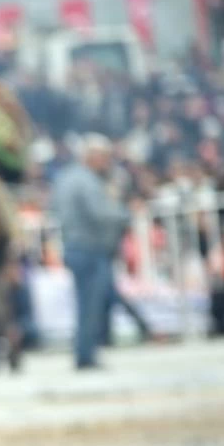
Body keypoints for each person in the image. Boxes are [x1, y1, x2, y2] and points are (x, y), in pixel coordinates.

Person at [51, 134, 129, 370]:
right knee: (91, 304)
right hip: (90, 248)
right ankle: (86, 355)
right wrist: (126, 214)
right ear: (92, 156)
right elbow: (100, 213)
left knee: (88, 303)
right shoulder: (86, 181)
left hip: (75, 246)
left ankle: (86, 351)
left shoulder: (65, 178)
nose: (107, 162)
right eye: (104, 157)